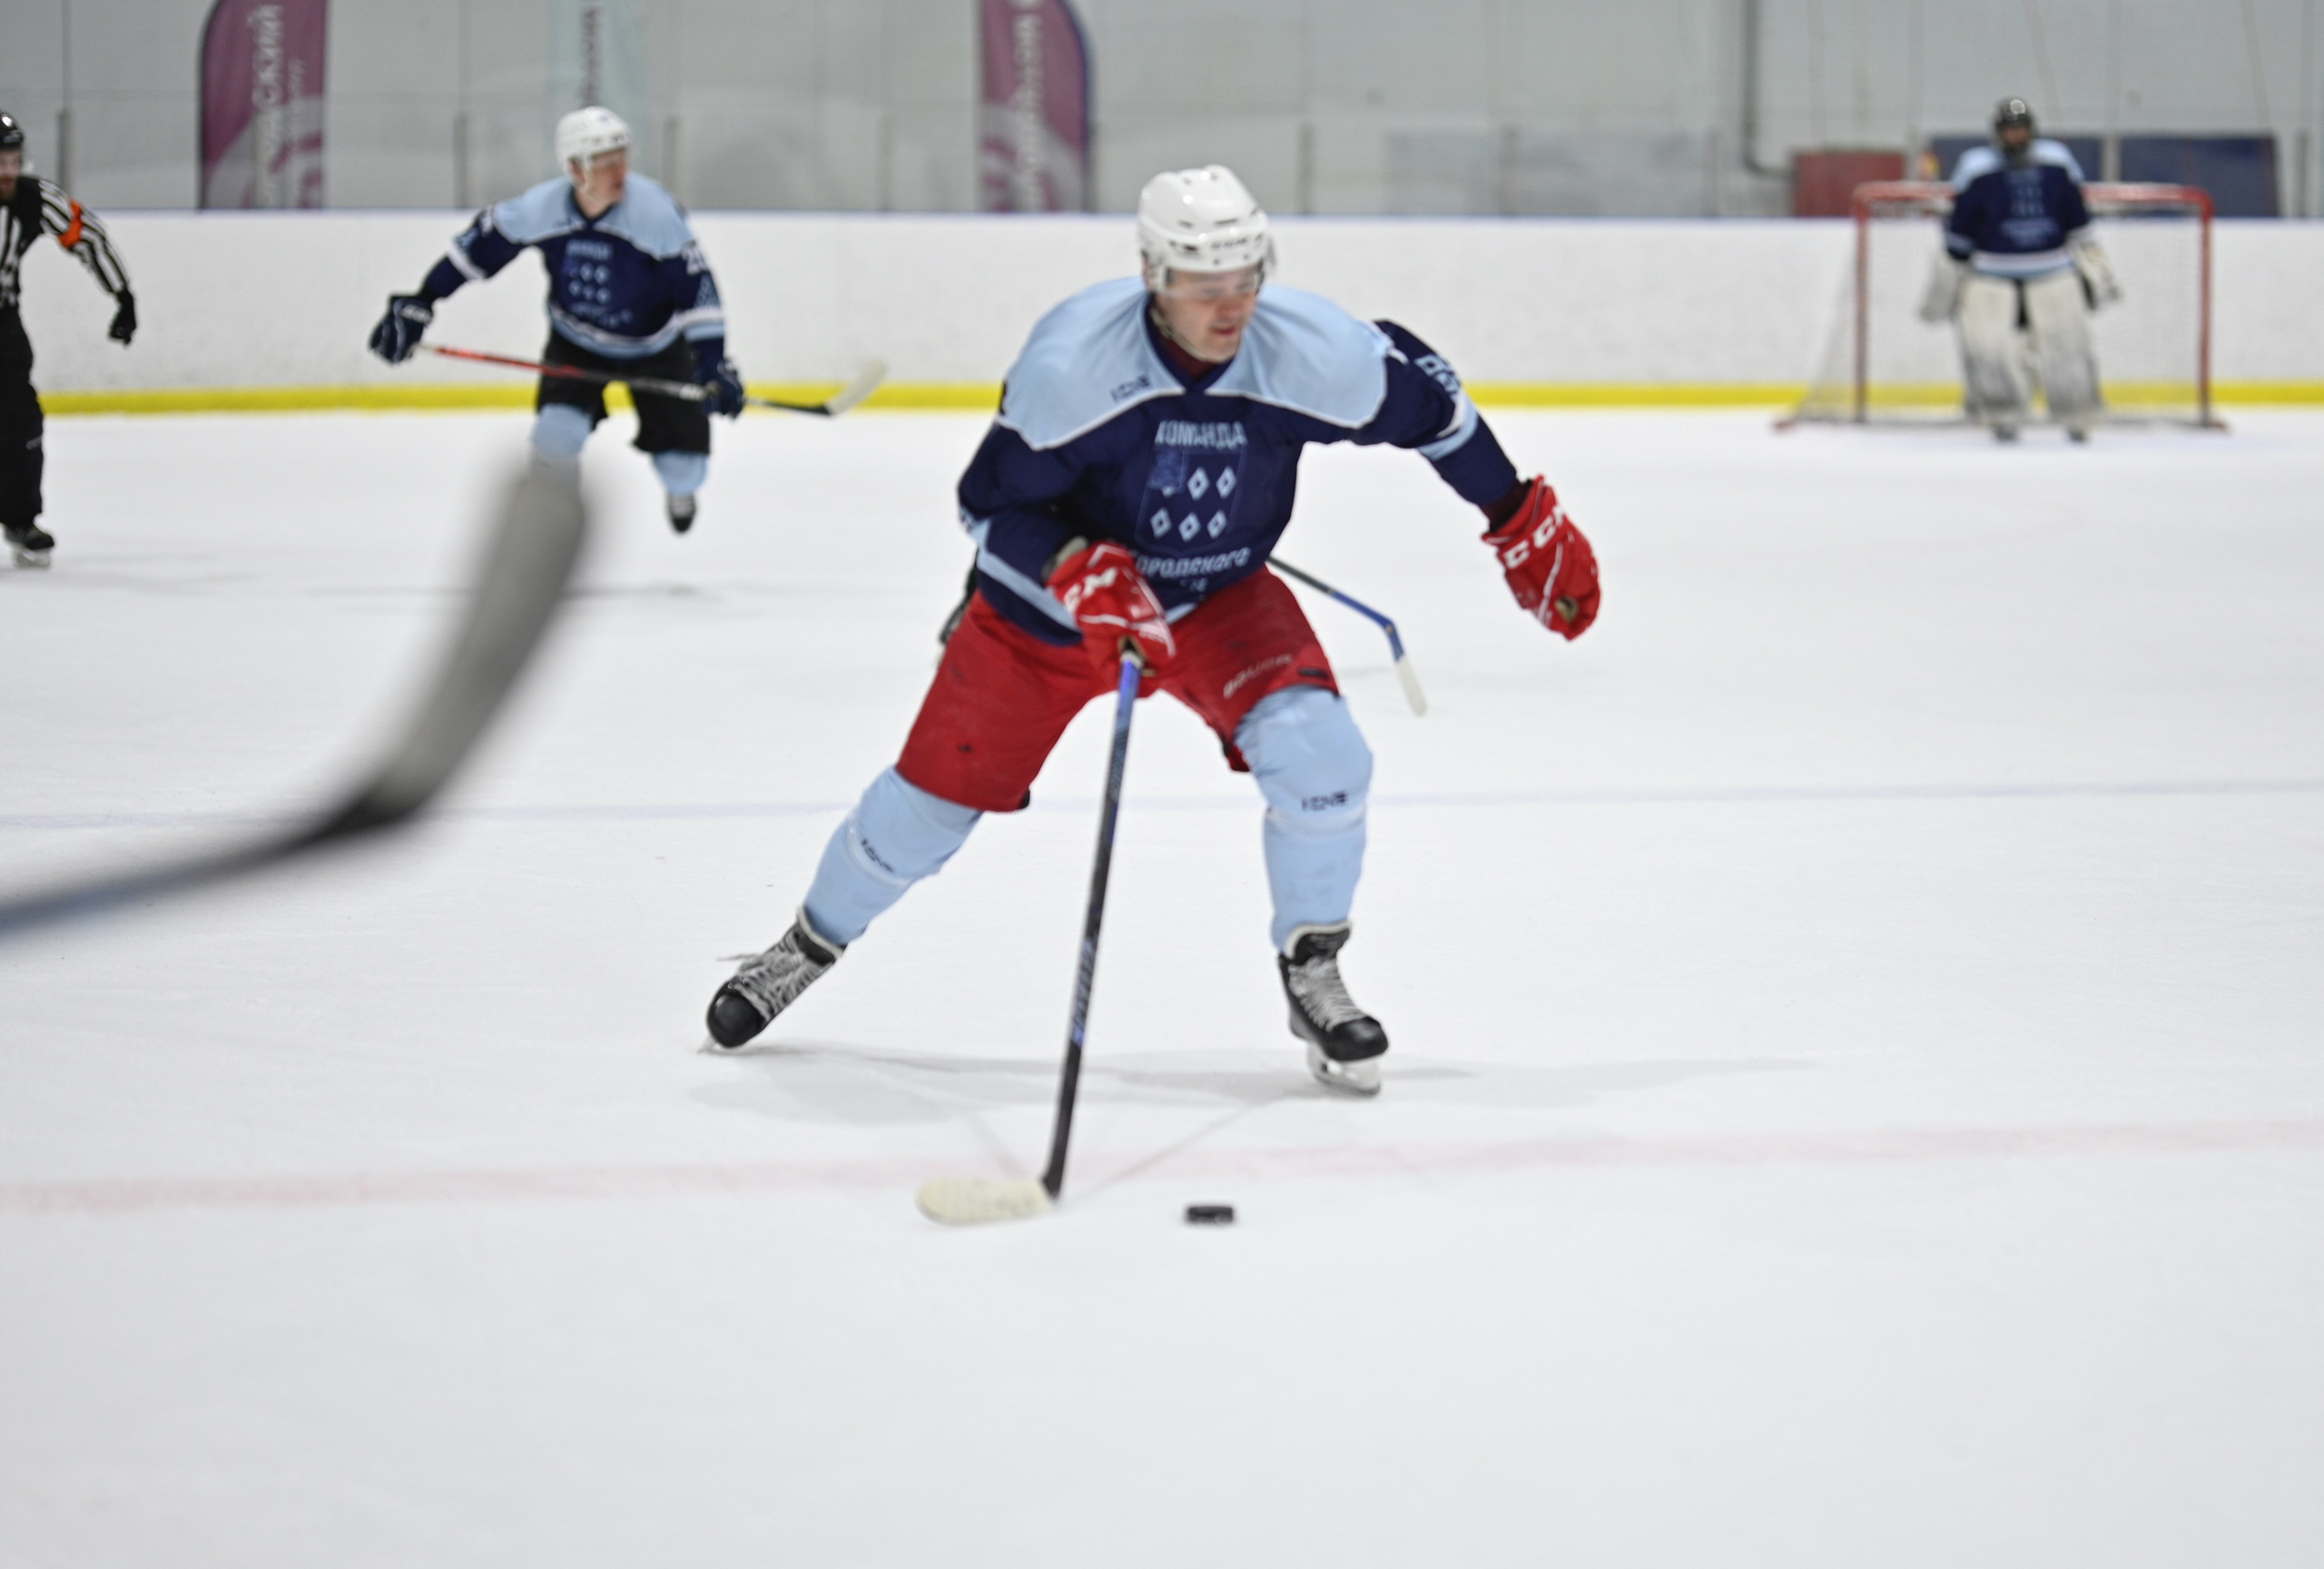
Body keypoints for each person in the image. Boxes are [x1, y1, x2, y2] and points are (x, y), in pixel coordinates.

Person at [701, 165, 1600, 1096]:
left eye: (1245, 278)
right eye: (1204, 284)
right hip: (1046, 616)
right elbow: (987, 504)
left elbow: (1432, 403)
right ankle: (806, 944)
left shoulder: (1307, 352)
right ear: (1152, 275)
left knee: (1324, 758)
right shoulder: (1073, 367)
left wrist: (1515, 514)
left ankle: (1314, 971)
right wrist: (1074, 565)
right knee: (924, 814)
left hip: (1217, 596)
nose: (1230, 305)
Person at [367, 106, 742, 533]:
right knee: (554, 438)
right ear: (575, 169)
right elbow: (475, 251)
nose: (620, 172)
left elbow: (697, 288)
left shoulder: (654, 212)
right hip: (576, 343)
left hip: (656, 346)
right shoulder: (539, 209)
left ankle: (681, 488)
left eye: (622, 158)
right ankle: (552, 525)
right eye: (605, 163)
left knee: (685, 469)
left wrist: (712, 361)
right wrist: (422, 300)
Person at [1921, 96, 2121, 443]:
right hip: (1990, 273)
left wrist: (2094, 266)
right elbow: (1961, 227)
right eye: (2010, 129)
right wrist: (1951, 273)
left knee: (2068, 347)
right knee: (1988, 350)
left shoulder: (2057, 162)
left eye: (2022, 128)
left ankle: (2078, 414)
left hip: (2053, 270)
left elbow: (2077, 220)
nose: (2016, 135)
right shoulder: (1975, 167)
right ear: (1998, 133)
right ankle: (2001, 414)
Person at [0, 112, 135, 567]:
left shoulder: (34, 199)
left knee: (21, 421)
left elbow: (87, 235)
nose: (8, 172)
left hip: (2, 323)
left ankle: (21, 519)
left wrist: (122, 295)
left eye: (14, 160)